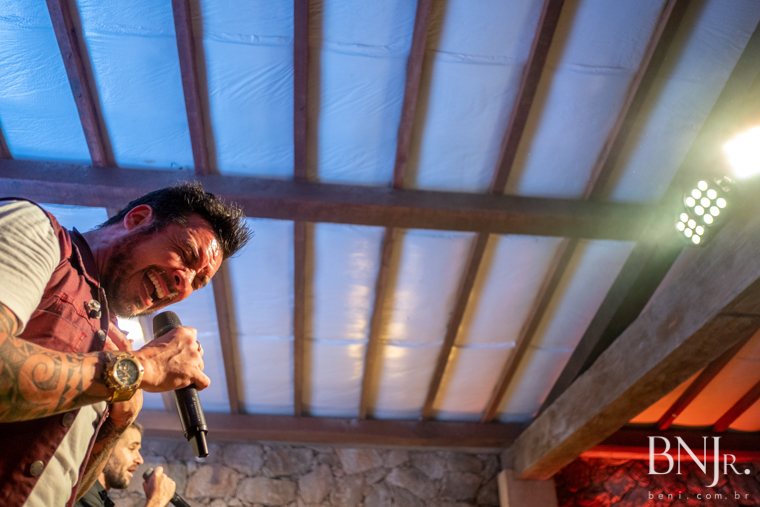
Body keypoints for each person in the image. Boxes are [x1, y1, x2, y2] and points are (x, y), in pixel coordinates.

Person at [0, 182, 251, 507]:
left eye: (198, 282)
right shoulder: (38, 232)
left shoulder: (113, 341)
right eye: (187, 254)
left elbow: (69, 489)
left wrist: (117, 425)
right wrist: (137, 368)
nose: (184, 284)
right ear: (137, 219)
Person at [75, 422, 175, 507]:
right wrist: (156, 501)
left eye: (138, 450)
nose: (140, 460)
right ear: (106, 447)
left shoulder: (99, 499)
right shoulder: (81, 496)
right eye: (132, 448)